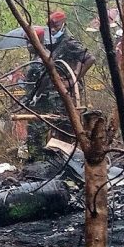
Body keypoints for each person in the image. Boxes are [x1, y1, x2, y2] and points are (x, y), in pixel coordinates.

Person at [23, 10, 96, 159]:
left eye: (55, 25)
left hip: (67, 92)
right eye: (49, 25)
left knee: (66, 125)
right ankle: (57, 156)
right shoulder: (56, 43)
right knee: (56, 124)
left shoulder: (69, 42)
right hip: (56, 92)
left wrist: (73, 79)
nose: (52, 28)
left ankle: (69, 156)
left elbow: (89, 59)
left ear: (63, 24)